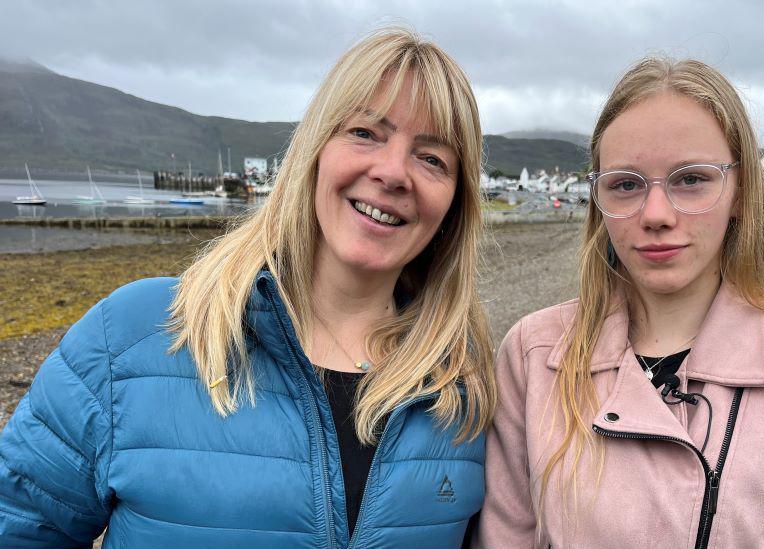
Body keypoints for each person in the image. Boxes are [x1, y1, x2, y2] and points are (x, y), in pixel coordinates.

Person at [0, 28, 494, 548]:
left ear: (455, 205)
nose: (394, 173)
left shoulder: (464, 386)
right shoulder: (133, 336)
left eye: (432, 158)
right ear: (314, 150)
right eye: (365, 133)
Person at [476, 58, 764, 548]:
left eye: (691, 179)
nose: (655, 214)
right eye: (626, 184)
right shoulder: (534, 355)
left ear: (740, 191)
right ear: (598, 199)